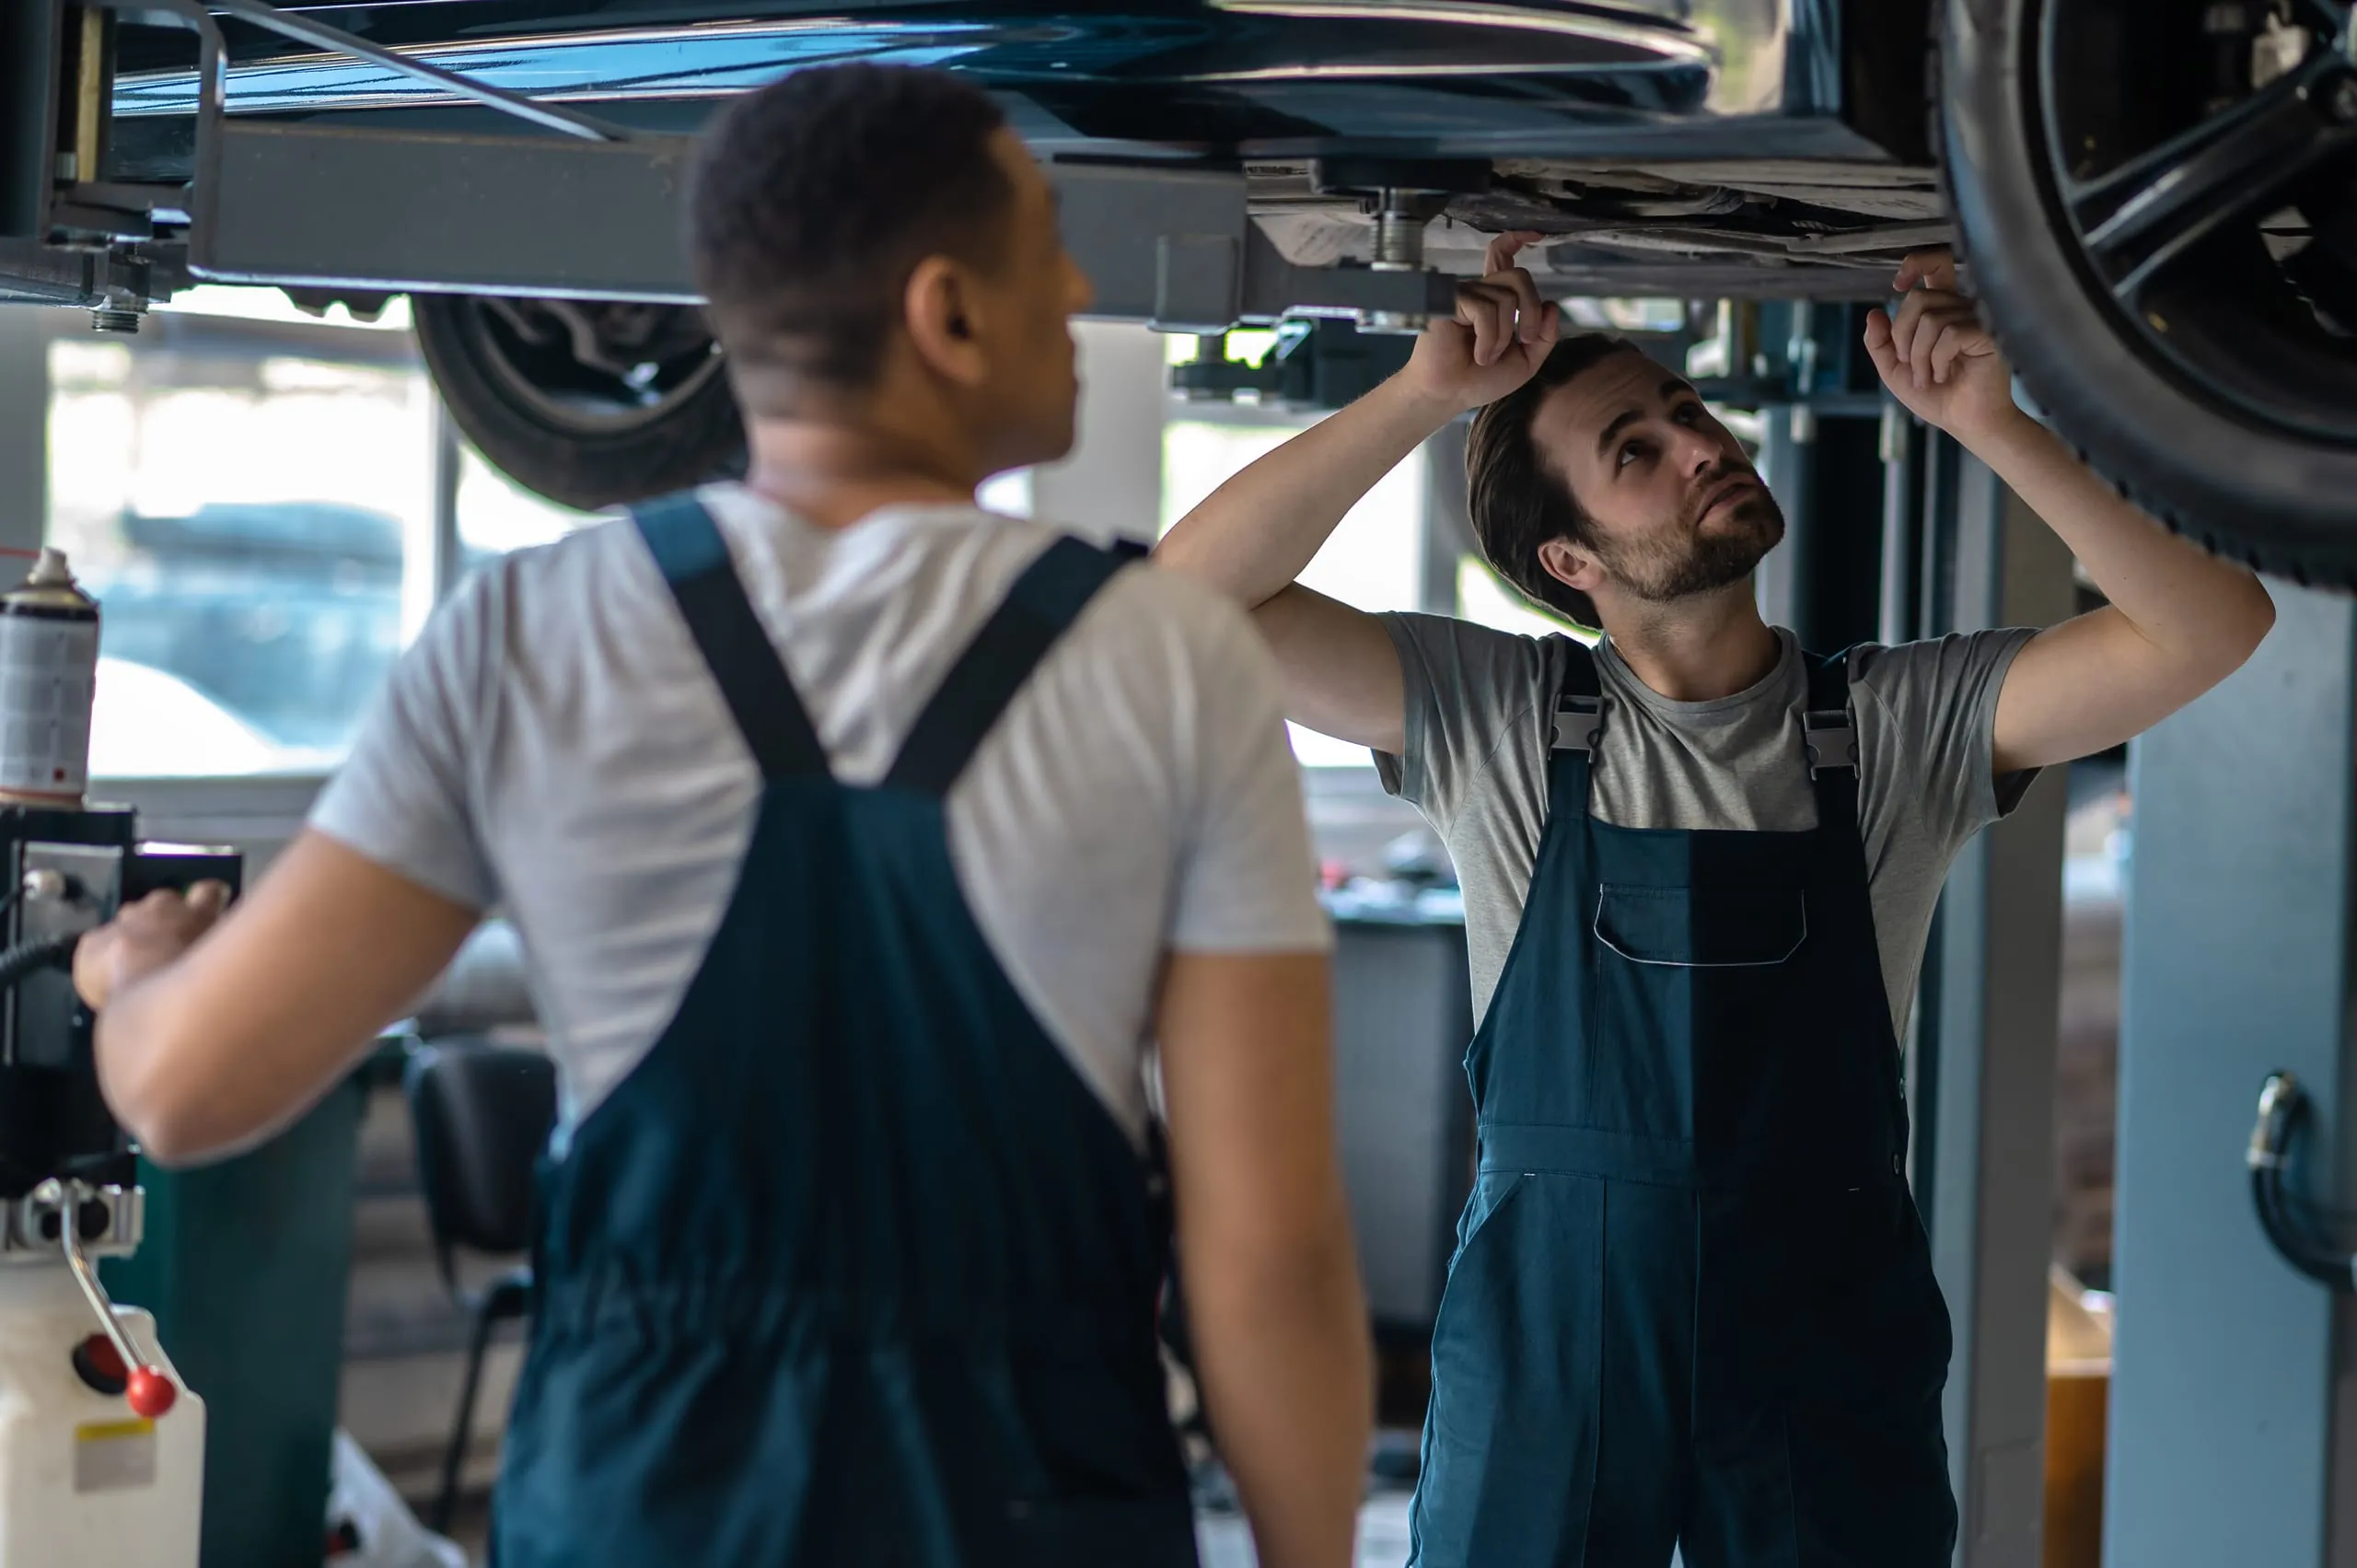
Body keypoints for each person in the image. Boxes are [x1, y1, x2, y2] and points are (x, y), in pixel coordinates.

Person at [72, 64, 1372, 1568]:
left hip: (646, 1501)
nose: (1080, 285)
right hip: (1024, 1502)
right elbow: (1269, 1250)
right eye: (1048, 251)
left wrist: (129, 977)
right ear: (947, 313)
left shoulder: (529, 635)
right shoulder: (1169, 657)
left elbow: (184, 1094)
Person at [1156, 234, 2275, 1567]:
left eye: (1686, 412)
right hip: (1554, 1352)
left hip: (1819, 1350)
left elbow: (2215, 624)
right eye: (1636, 450)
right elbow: (1187, 600)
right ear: (1570, 562)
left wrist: (1997, 419)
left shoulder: (1895, 727)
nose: (1700, 444)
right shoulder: (1504, 720)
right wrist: (1420, 398)